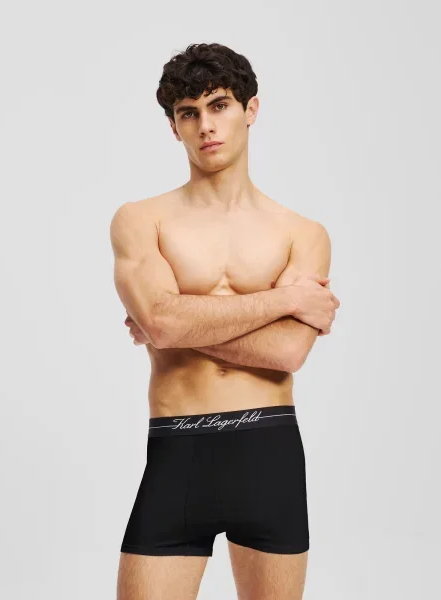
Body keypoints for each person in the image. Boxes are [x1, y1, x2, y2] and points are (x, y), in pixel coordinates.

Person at [110, 42, 340, 600]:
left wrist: (178, 322)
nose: (206, 126)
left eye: (219, 105)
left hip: (269, 455)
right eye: (188, 113)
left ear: (250, 109)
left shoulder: (302, 232)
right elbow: (162, 323)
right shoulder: (141, 220)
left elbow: (288, 352)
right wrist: (283, 301)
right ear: (174, 127)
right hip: (177, 453)